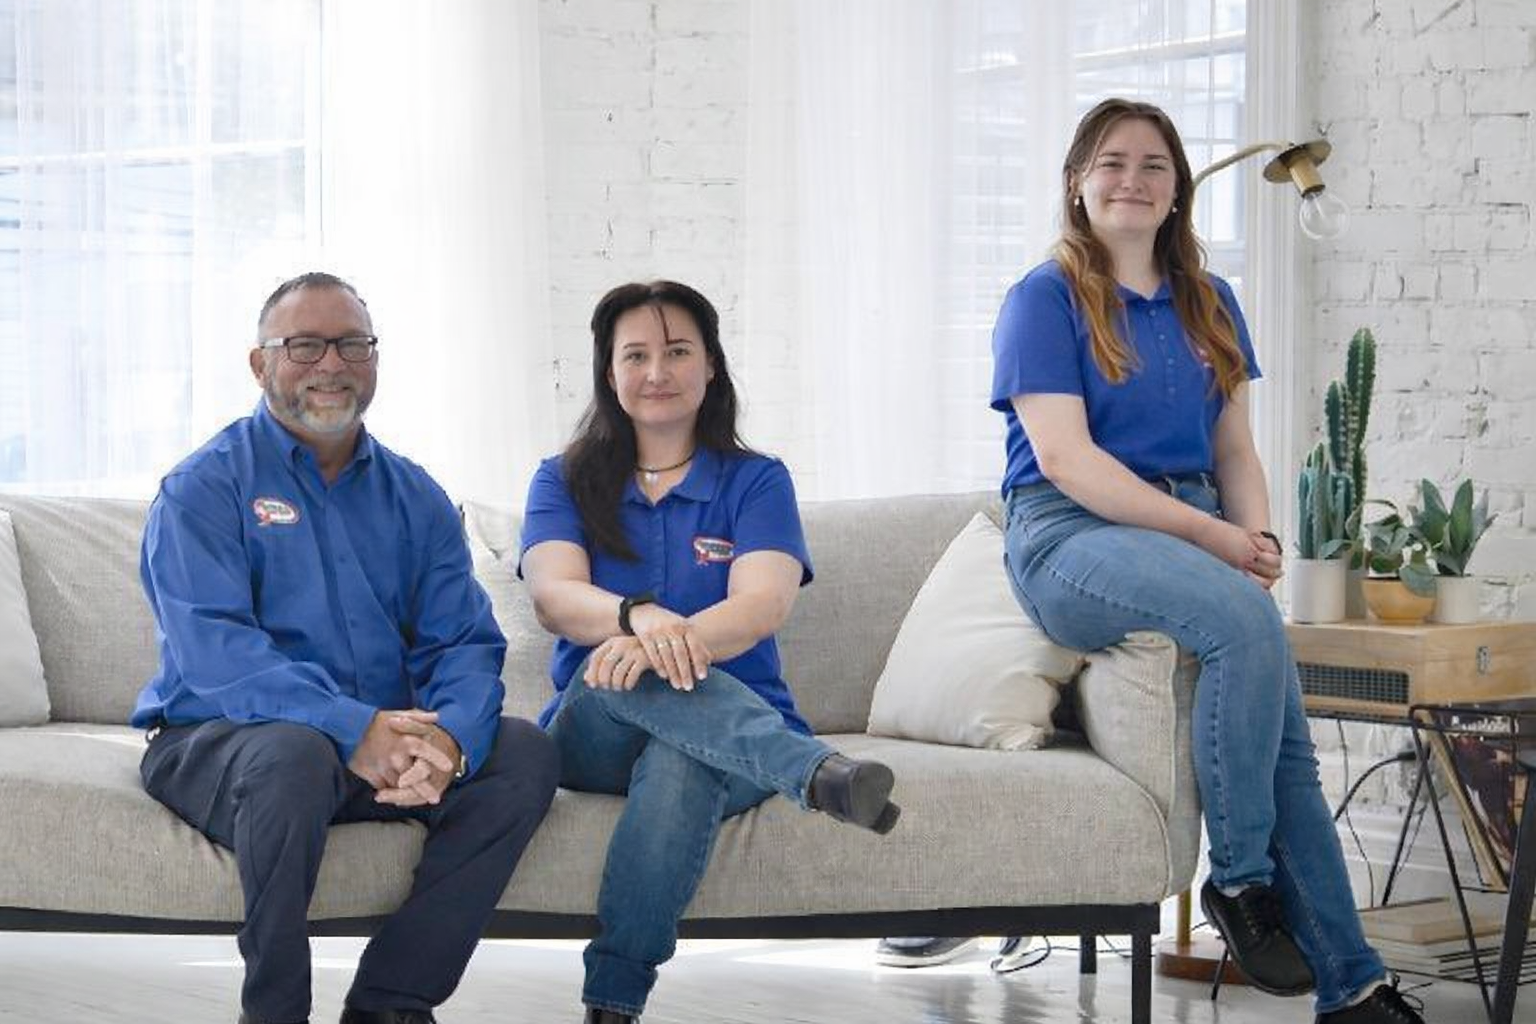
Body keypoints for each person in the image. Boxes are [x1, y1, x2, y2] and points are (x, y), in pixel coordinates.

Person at [988, 98, 1430, 1024]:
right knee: (1240, 625)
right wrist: (1213, 544)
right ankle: (1237, 881)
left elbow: (1235, 450)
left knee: (1287, 747)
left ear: (1177, 189)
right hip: (1070, 536)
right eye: (1112, 162)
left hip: (1187, 531)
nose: (1132, 180)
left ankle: (1352, 988)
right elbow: (1067, 461)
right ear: (1077, 180)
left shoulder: (1209, 300)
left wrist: (1256, 539)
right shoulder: (1044, 296)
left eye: (1154, 165)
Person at [132, 272, 560, 1024]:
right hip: (221, 742)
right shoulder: (204, 486)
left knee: (524, 753)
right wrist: (352, 727)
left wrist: (450, 742)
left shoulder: (415, 495)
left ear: (374, 359)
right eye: (304, 345)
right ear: (260, 364)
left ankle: (391, 1004)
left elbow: (462, 641)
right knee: (292, 752)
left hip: (379, 745)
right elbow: (216, 652)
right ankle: (275, 1012)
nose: (332, 363)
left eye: (352, 343)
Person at [519, 280, 901, 1024]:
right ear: (609, 372)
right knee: (611, 676)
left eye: (677, 351)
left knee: (682, 759)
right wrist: (640, 622)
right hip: (593, 729)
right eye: (636, 354)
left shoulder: (756, 481)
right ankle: (816, 773)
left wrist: (660, 645)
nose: (656, 371)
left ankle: (612, 1004)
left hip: (728, 738)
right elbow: (554, 597)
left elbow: (763, 605)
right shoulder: (561, 479)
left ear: (711, 366)